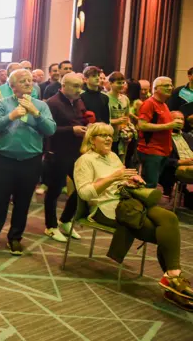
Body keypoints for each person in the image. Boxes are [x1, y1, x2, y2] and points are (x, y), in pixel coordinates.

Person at [73, 123, 193, 311]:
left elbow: (122, 178)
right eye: (102, 135)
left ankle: (172, 277)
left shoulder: (112, 156)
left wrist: (130, 179)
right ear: (91, 140)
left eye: (109, 135)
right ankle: (173, 282)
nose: (107, 139)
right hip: (106, 208)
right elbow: (85, 193)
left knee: (169, 219)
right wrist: (114, 177)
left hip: (128, 200)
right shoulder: (85, 161)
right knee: (159, 232)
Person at [0, 69, 56, 256]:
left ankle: (15, 238)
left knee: (23, 202)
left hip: (31, 161)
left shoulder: (41, 106)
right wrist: (12, 116)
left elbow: (50, 129)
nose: (28, 83)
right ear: (12, 86)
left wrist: (36, 114)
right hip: (5, 161)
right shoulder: (3, 104)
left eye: (30, 80)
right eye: (22, 81)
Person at [43, 73, 87, 242]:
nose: (79, 90)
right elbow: (48, 130)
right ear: (64, 86)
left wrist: (85, 126)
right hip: (58, 152)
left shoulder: (78, 101)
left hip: (76, 151)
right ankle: (51, 226)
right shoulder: (53, 103)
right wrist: (72, 130)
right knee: (54, 190)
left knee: (82, 188)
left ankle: (66, 220)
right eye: (76, 86)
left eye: (80, 86)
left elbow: (79, 120)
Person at [137, 77, 180, 188]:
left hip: (163, 151)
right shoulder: (149, 104)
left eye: (171, 85)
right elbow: (142, 125)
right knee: (149, 185)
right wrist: (168, 125)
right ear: (155, 89)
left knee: (154, 184)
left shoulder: (164, 105)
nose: (170, 88)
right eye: (166, 86)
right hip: (151, 150)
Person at [160, 111, 193, 196]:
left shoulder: (188, 136)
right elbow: (161, 159)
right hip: (175, 167)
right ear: (169, 121)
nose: (180, 121)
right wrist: (180, 162)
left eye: (182, 119)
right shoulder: (163, 137)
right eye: (177, 119)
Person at [108, 72, 135, 162]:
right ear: (111, 83)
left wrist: (129, 130)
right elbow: (102, 120)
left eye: (123, 83)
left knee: (121, 162)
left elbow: (127, 117)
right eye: (118, 83)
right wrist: (117, 121)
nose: (121, 85)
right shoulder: (105, 97)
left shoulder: (125, 98)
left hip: (122, 137)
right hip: (109, 136)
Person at [168, 67, 193, 132]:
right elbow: (171, 111)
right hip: (182, 130)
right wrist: (186, 118)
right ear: (189, 76)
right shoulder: (179, 91)